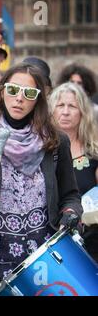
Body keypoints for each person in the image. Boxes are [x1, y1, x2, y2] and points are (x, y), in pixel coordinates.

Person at [0, 63, 83, 295]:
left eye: (29, 93)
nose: (19, 98)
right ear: (2, 91)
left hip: (45, 266)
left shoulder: (55, 143)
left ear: (38, 100)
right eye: (13, 90)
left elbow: (70, 196)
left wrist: (71, 213)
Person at [49, 82, 98, 261]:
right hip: (52, 239)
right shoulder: (40, 151)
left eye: (72, 106)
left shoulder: (94, 152)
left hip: (91, 240)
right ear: (51, 111)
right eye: (60, 105)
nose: (66, 112)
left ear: (83, 112)